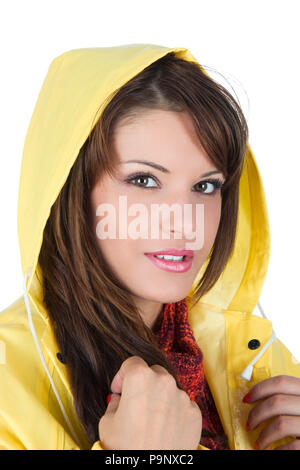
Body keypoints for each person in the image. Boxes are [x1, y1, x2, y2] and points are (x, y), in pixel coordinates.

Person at [0, 43, 300, 451]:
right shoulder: (7, 387)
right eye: (144, 180)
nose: (184, 221)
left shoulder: (255, 358)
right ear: (70, 189)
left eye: (206, 185)